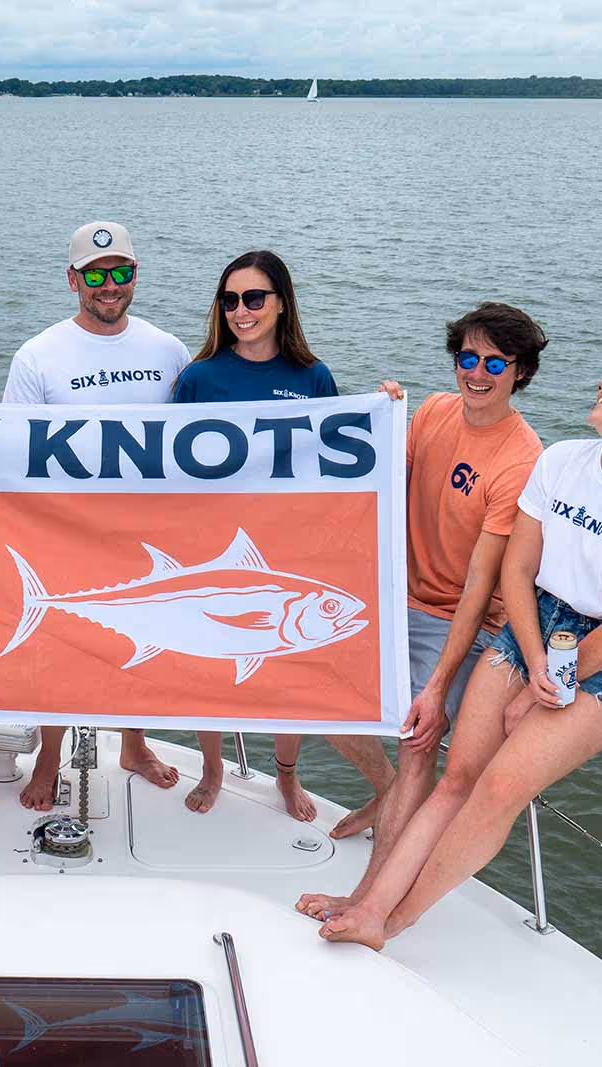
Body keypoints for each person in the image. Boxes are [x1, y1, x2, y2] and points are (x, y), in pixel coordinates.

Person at [305, 348, 602, 949]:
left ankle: (391, 921)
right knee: (456, 780)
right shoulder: (562, 461)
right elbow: (517, 571)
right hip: (530, 627)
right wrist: (535, 663)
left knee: (496, 791)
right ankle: (370, 907)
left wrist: (549, 687)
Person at [298, 303, 546, 906]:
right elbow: (378, 481)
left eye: (495, 363)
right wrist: (378, 417)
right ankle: (388, 792)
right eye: (468, 357)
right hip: (394, 599)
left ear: (520, 371)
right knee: (303, 688)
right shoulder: (433, 410)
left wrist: (435, 689)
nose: (477, 373)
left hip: (460, 619)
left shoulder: (521, 460)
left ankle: (365, 899)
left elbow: (481, 587)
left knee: (417, 737)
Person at [1, 220, 190, 809]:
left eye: (120, 272)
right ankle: (48, 758)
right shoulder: (37, 356)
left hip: (148, 533)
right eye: (94, 275)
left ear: (135, 274)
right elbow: (11, 453)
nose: (109, 285)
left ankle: (134, 744)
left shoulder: (169, 350)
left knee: (146, 638)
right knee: (62, 648)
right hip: (67, 533)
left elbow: (199, 443)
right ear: (72, 279)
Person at [173, 248, 357, 821]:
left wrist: (385, 408)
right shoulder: (199, 377)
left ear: (281, 303)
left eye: (254, 298)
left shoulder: (313, 377)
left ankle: (286, 774)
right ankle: (211, 768)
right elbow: (165, 468)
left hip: (287, 546)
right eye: (230, 300)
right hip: (212, 546)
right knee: (210, 661)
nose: (241, 311)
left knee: (285, 667)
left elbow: (341, 461)